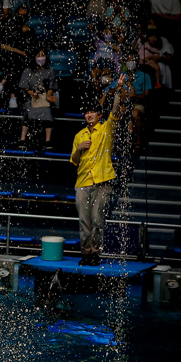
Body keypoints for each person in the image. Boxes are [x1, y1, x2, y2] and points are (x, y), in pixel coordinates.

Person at [70, 89, 126, 266]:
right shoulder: (79, 136)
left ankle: (95, 253)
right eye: (86, 112)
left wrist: (117, 92)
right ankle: (86, 253)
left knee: (97, 220)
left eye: (92, 112)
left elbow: (115, 111)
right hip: (82, 182)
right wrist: (79, 149)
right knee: (84, 222)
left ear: (99, 114)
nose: (89, 115)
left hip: (102, 182)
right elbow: (75, 160)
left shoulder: (105, 129)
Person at [108, 59, 152, 151]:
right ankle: (115, 141)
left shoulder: (144, 76)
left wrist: (134, 95)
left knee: (135, 114)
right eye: (128, 60)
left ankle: (138, 141)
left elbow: (147, 95)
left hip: (137, 103)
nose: (130, 62)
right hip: (124, 103)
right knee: (118, 113)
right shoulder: (122, 75)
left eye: (132, 60)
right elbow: (111, 90)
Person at [18, 50, 58, 148]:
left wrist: (48, 95)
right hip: (30, 99)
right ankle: (22, 139)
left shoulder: (50, 71)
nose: (41, 57)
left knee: (48, 111)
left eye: (43, 55)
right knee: (29, 110)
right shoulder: (28, 71)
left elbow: (51, 88)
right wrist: (32, 93)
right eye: (38, 55)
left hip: (44, 99)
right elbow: (23, 87)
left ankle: (48, 140)